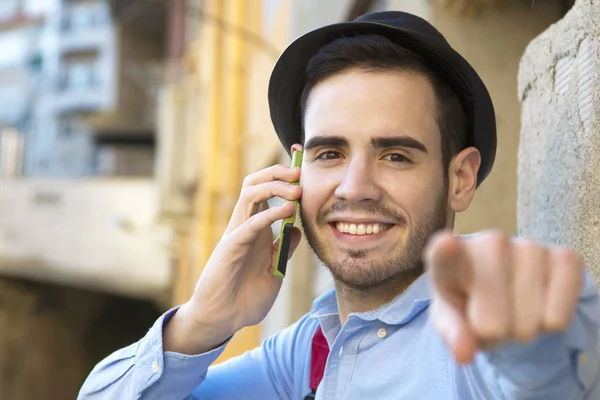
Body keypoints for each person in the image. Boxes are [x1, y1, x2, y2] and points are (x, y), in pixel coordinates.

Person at [78, 11, 600, 400]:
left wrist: (540, 335)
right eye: (330, 153)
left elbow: (554, 364)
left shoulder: (479, 316)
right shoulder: (309, 350)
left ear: (460, 178)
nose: (355, 187)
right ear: (294, 175)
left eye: (396, 155)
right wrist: (203, 322)